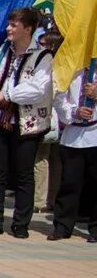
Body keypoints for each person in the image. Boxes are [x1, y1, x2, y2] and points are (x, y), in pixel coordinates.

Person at [0, 8, 54, 238]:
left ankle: (20, 224)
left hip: (26, 124)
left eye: (14, 25)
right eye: (9, 24)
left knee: (24, 174)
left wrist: (4, 94)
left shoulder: (42, 57)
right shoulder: (2, 51)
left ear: (28, 28)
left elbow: (38, 88)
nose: (9, 28)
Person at [48, 68, 97, 242]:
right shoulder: (71, 69)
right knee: (69, 183)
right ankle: (62, 226)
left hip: (95, 135)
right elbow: (59, 99)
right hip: (73, 137)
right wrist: (74, 112)